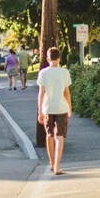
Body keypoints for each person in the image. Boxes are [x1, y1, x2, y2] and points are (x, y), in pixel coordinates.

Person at [37, 47, 72, 175]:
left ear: (47, 58)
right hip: (61, 107)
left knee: (49, 135)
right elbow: (67, 93)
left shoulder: (43, 73)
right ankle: (57, 166)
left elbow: (41, 93)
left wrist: (40, 111)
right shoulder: (64, 72)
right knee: (60, 136)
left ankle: (51, 163)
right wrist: (70, 107)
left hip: (47, 108)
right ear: (59, 58)